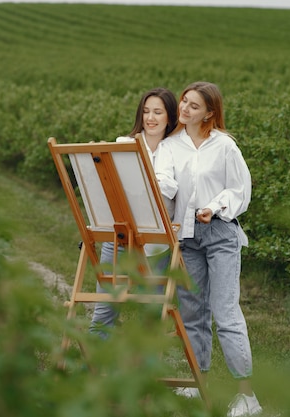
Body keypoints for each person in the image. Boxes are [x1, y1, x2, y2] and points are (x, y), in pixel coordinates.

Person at [155, 81, 262, 417]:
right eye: (183, 102)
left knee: (225, 312)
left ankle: (248, 396)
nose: (184, 109)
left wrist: (213, 206)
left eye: (193, 106)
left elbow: (239, 190)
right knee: (192, 312)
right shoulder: (171, 146)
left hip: (219, 233)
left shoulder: (225, 147)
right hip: (187, 237)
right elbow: (165, 180)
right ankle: (196, 383)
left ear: (210, 113)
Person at [88, 87, 178, 339]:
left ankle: (142, 374)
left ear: (169, 117)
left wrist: (144, 182)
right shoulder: (123, 144)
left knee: (151, 315)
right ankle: (92, 373)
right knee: (105, 311)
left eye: (158, 112)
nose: (151, 117)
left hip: (155, 243)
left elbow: (169, 188)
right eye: (146, 111)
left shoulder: (174, 150)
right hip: (120, 239)